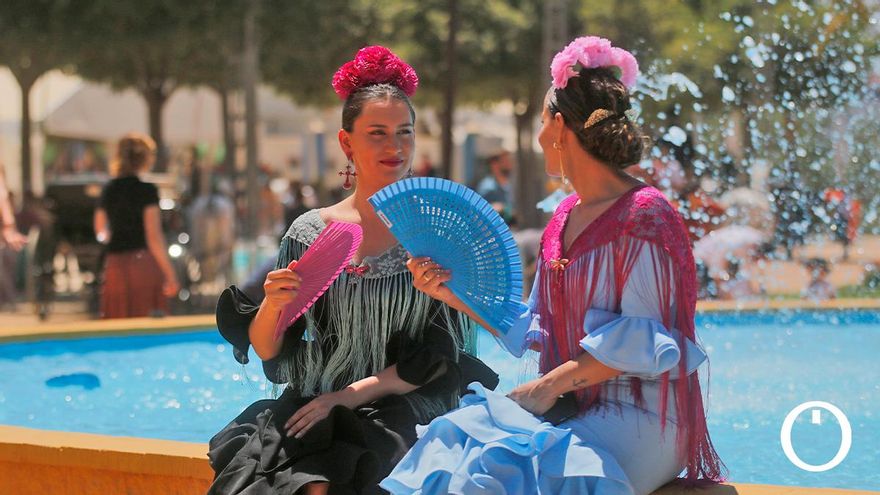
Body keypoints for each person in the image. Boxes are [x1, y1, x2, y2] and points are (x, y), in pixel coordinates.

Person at [383, 37, 724, 495]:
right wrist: (452, 293)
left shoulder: (645, 215)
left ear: (559, 126)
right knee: (454, 441)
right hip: (569, 404)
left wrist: (544, 388)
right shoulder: (562, 218)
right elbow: (537, 325)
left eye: (542, 122)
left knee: (496, 468)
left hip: (643, 418)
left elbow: (645, 341)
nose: (539, 135)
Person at [208, 46, 497, 495]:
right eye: (377, 133)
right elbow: (268, 348)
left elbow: (438, 355)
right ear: (347, 143)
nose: (395, 146)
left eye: (404, 132)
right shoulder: (308, 232)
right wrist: (274, 305)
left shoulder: (438, 233)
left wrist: (345, 398)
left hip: (405, 398)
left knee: (332, 479)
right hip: (318, 397)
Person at [93, 133, 179, 318]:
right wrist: (170, 273)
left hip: (115, 265)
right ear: (145, 159)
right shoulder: (147, 190)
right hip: (143, 264)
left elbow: (100, 229)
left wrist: (114, 237)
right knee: (146, 321)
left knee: (117, 320)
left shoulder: (109, 189)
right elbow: (153, 235)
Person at [476, 149, 514, 224]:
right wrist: (498, 208)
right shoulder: (488, 187)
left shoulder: (508, 186)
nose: (509, 164)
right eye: (505, 161)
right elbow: (481, 211)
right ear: (494, 165)